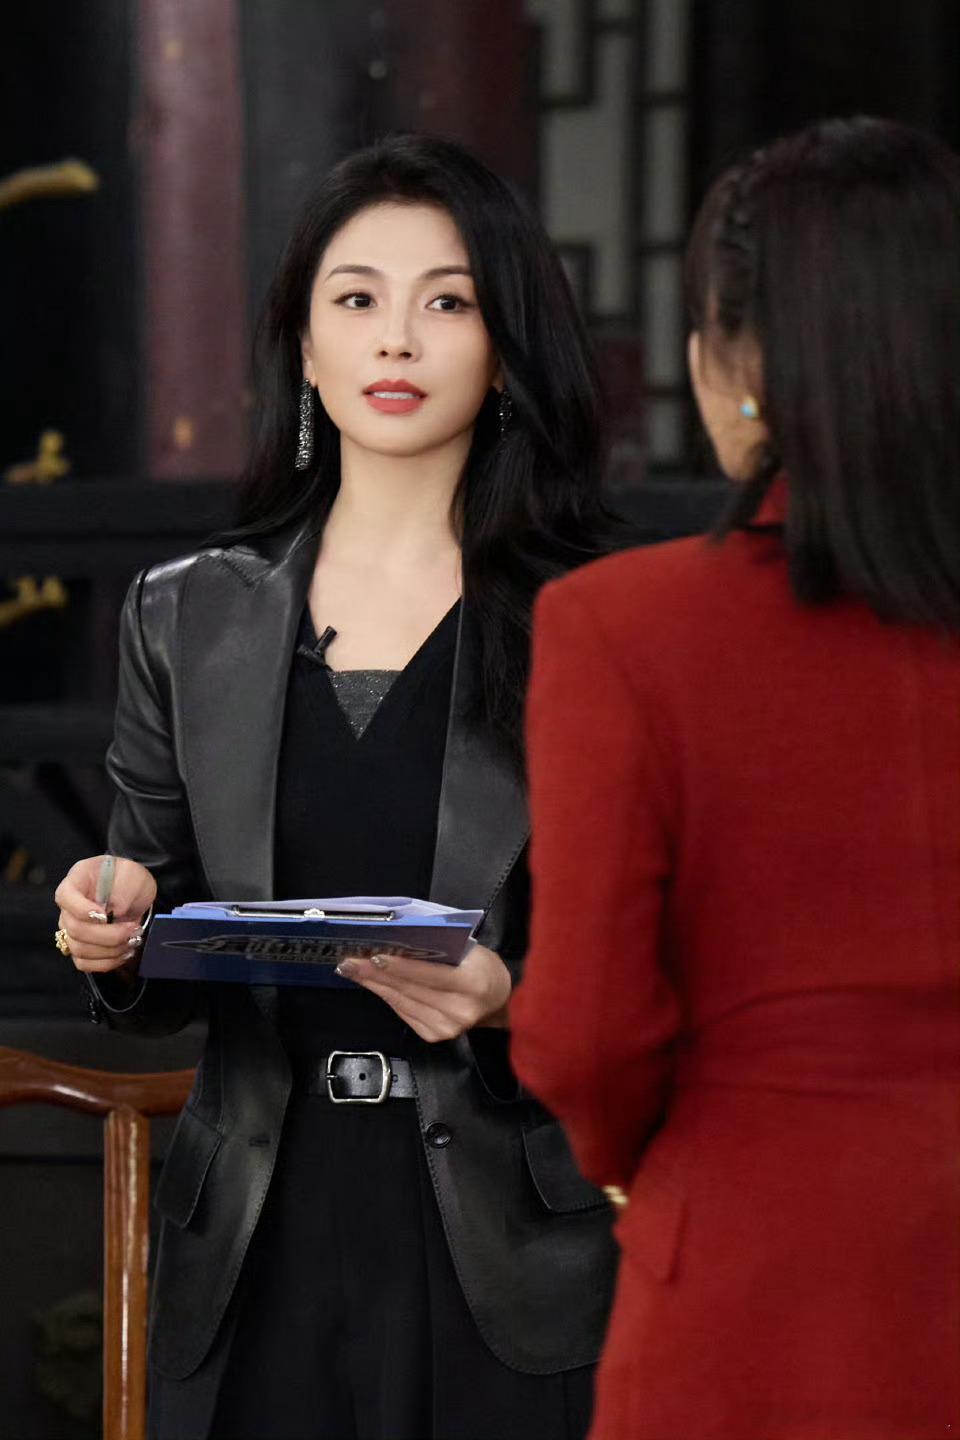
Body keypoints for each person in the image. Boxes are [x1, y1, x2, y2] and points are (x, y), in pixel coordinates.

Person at [53, 133, 620, 1440]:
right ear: (305, 347)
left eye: (448, 302)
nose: (397, 339)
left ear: (505, 346)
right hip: (257, 1241)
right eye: (357, 299)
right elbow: (154, 941)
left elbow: (667, 955)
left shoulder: (597, 621)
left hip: (504, 1241)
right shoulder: (184, 616)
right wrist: (113, 927)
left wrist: (512, 999)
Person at [511, 116, 960, 1440]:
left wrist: (661, 1170)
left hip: (747, 1286)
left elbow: (584, 1031)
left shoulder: (625, 629)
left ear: (739, 364)